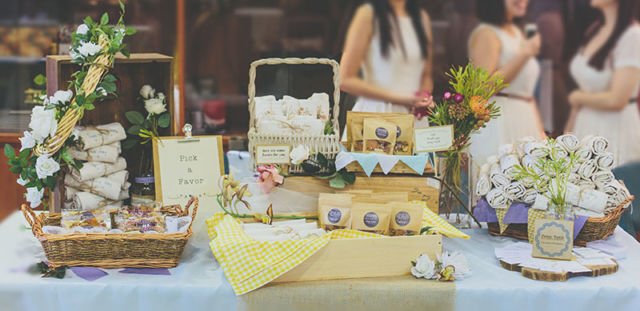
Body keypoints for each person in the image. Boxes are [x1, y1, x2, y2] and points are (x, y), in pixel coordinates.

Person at [467, 0, 545, 167]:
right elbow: (481, 89)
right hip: (500, 121)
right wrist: (523, 54)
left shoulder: (517, 32)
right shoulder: (486, 33)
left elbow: (526, 93)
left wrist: (539, 131)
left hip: (525, 118)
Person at [565, 0, 640, 167]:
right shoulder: (595, 29)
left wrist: (578, 97)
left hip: (615, 128)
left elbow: (617, 100)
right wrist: (568, 133)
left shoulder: (633, 35)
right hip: (585, 125)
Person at [339, 0, 434, 123]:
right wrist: (402, 99)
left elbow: (426, 75)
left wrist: (424, 98)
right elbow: (345, 80)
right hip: (377, 114)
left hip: (414, 116)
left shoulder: (422, 18)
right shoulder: (367, 15)